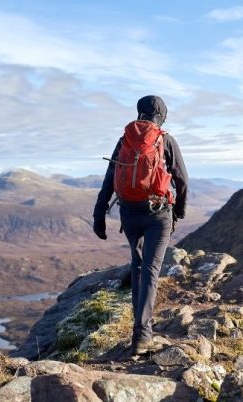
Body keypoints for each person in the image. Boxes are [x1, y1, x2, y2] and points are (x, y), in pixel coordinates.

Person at [93, 95, 188, 355]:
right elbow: (182, 180)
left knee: (137, 266)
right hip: (158, 212)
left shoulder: (124, 140)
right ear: (162, 115)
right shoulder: (165, 139)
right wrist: (178, 210)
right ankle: (142, 335)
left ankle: (139, 330)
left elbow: (109, 179)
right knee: (151, 269)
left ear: (139, 113)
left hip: (129, 212)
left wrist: (99, 214)